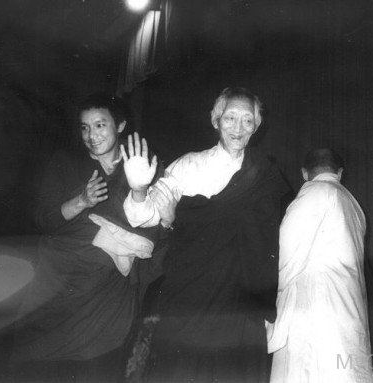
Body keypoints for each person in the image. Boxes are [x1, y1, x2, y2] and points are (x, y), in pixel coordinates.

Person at [0, 93, 163, 382]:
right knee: (45, 365)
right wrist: (81, 201)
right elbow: (45, 220)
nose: (91, 136)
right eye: (85, 127)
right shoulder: (66, 163)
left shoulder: (143, 163)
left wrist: (140, 190)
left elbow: (155, 228)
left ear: (119, 125)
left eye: (100, 125)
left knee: (97, 367)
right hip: (61, 285)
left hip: (108, 295)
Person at [122, 87, 289, 382]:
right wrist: (137, 189)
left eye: (247, 120)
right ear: (216, 120)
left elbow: (270, 244)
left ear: (256, 127)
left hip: (241, 305)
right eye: (230, 117)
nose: (238, 128)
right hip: (191, 299)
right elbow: (143, 215)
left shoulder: (266, 175)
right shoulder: (189, 165)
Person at [266, 148, 373, 383]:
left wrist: (269, 309)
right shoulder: (355, 206)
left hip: (315, 312)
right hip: (348, 311)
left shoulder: (314, 191)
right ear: (340, 172)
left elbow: (285, 255)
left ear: (304, 173)